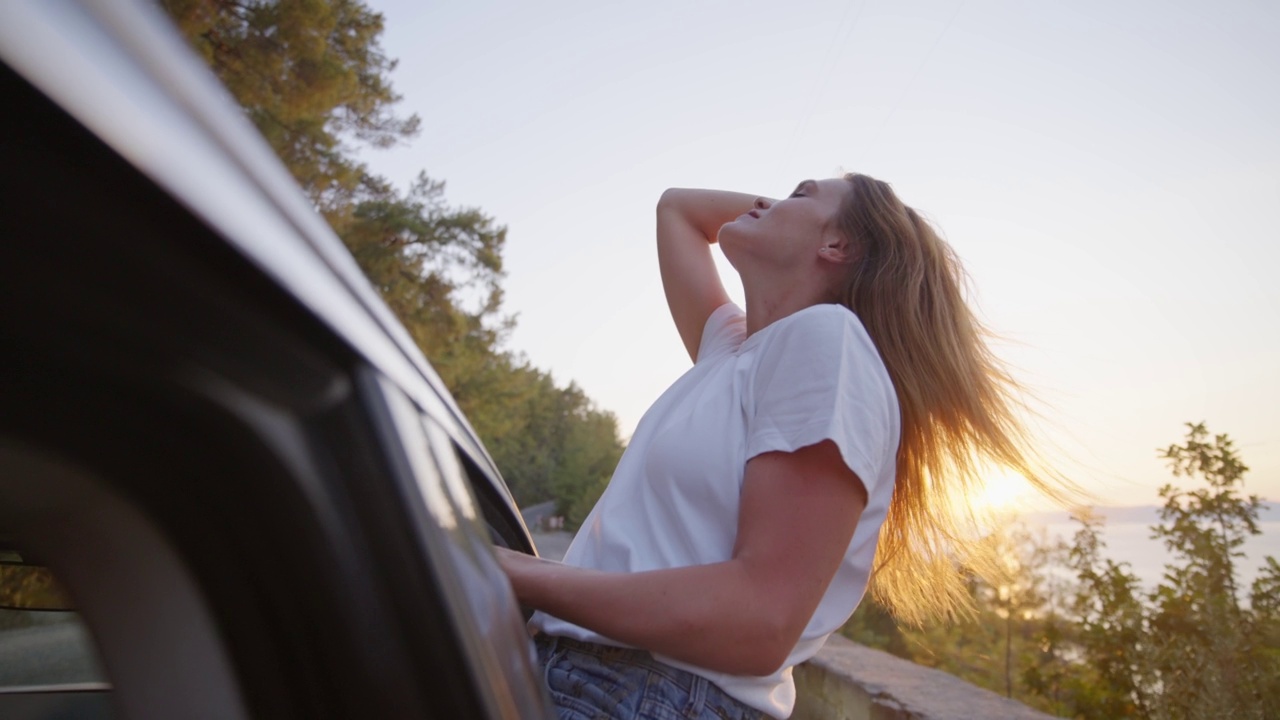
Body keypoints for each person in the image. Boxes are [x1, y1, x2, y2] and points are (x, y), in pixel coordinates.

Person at [496, 173, 1070, 720]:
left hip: (651, 695)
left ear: (839, 242)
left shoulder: (829, 341)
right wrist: (791, 215)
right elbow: (677, 208)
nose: (766, 200)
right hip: (600, 679)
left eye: (797, 191)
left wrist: (512, 572)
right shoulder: (733, 349)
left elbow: (762, 619)